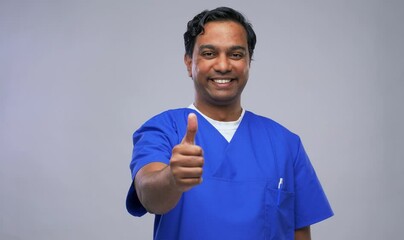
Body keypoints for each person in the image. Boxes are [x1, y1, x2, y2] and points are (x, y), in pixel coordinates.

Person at [126, 6, 333, 240]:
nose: (223, 65)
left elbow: (299, 232)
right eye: (209, 53)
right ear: (188, 63)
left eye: (236, 54)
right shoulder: (162, 130)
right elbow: (149, 196)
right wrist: (171, 178)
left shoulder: (285, 144)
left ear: (248, 62)